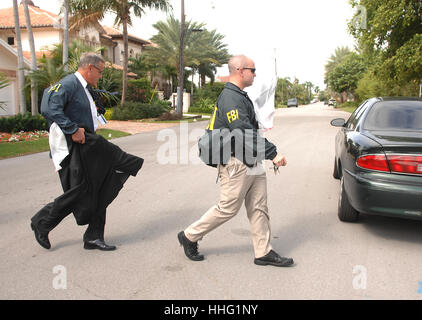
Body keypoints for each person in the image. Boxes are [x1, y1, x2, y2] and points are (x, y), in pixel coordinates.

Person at [178, 55, 294, 267]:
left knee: (259, 206)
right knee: (227, 208)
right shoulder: (230, 98)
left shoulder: (240, 95)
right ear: (240, 70)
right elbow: (243, 132)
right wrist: (272, 153)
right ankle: (189, 235)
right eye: (252, 69)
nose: (255, 73)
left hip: (251, 160)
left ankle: (263, 252)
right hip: (236, 162)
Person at [30, 53, 143, 251]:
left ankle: (93, 236)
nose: (100, 76)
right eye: (99, 71)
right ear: (89, 68)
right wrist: (72, 128)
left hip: (88, 149)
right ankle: (42, 221)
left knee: (99, 188)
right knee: (80, 191)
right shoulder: (69, 84)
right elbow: (48, 107)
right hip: (75, 149)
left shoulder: (85, 88)